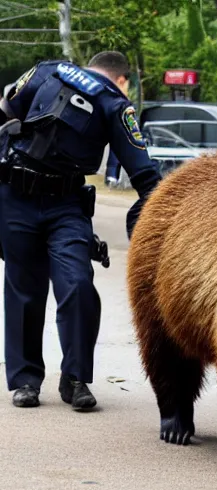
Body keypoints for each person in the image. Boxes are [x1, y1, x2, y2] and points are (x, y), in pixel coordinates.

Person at [0, 51, 161, 410]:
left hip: (51, 202)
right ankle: (38, 381)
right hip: (35, 199)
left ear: (90, 63)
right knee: (68, 286)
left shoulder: (48, 70)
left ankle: (61, 380)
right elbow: (146, 177)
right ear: (123, 79)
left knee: (38, 286)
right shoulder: (115, 103)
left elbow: (6, 108)